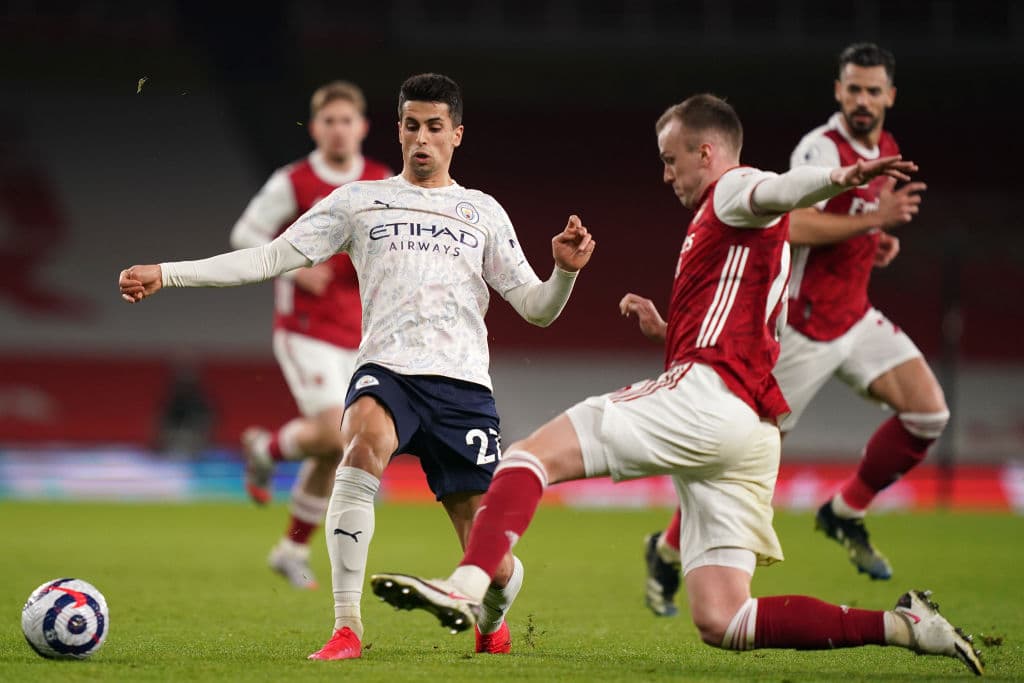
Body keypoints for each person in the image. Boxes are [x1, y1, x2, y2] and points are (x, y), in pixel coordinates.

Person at [368, 94, 982, 676]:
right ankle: (905, 626)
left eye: (670, 158)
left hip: (708, 398)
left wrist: (845, 179)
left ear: (707, 152)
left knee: (527, 458)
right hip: (750, 428)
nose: (666, 175)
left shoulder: (732, 190)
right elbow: (750, 323)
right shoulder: (729, 236)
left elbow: (776, 188)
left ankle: (467, 587)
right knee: (725, 618)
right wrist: (667, 329)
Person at [119, 73, 595, 660]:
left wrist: (565, 273)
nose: (423, 138)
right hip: (387, 369)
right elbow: (270, 256)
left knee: (491, 562)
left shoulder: (483, 213)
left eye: (436, 128)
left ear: (457, 135)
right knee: (360, 446)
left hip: (463, 385)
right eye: (413, 126)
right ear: (398, 131)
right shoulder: (358, 200)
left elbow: (537, 310)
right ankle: (347, 627)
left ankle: (491, 617)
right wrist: (169, 272)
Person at [644, 43, 938, 618]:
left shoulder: (886, 148)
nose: (862, 99)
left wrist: (873, 240)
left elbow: (847, 227)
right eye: (853, 88)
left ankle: (844, 512)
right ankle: (668, 548)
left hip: (854, 316)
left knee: (929, 413)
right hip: (802, 328)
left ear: (890, 96)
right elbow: (793, 221)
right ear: (838, 90)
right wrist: (875, 219)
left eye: (873, 90)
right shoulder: (819, 147)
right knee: (740, 447)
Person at [228, 80, 392, 590]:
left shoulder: (381, 180)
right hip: (304, 327)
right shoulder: (293, 180)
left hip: (357, 331)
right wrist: (293, 269)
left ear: (361, 127)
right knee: (330, 431)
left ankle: (290, 547)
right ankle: (268, 448)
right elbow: (245, 234)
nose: (339, 130)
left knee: (336, 446)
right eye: (329, 121)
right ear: (316, 127)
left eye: (348, 121)